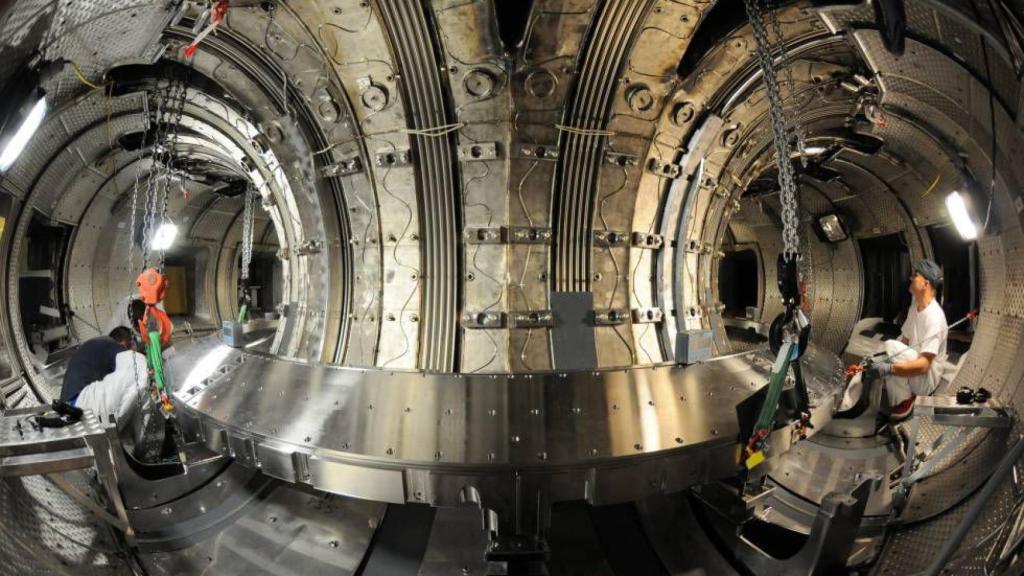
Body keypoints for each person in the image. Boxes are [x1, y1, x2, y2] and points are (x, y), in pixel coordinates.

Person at [866, 259, 949, 420]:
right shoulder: (915, 307)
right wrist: (878, 358)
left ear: (925, 283)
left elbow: (924, 365)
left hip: (926, 379)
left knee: (890, 347)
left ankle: (904, 402)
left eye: (915, 275)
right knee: (886, 350)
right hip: (914, 366)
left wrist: (889, 368)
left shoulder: (934, 317)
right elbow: (904, 340)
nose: (910, 278)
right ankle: (880, 404)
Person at [61, 326, 149, 427]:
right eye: (134, 348)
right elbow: (134, 369)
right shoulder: (112, 344)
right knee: (137, 361)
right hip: (84, 401)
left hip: (72, 410)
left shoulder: (98, 349)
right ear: (127, 342)